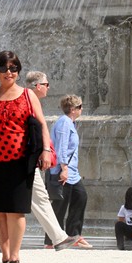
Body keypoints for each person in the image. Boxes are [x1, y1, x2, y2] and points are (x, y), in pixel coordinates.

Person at [0, 70, 79, 252]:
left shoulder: (24, 99)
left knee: (8, 198)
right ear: (38, 86)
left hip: (20, 157)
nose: (48, 88)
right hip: (22, 157)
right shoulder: (26, 100)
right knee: (37, 197)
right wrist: (43, 151)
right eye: (46, 85)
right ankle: (58, 237)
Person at [0, 51, 52, 263]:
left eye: (13, 68)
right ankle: (5, 259)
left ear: (18, 71)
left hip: (19, 161)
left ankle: (16, 258)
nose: (8, 73)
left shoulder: (27, 95)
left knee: (17, 212)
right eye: (3, 69)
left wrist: (46, 150)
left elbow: (41, 123)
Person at [46, 94, 93, 249]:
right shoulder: (65, 122)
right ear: (73, 109)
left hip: (72, 172)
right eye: (80, 107)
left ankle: (73, 235)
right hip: (62, 170)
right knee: (60, 204)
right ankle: (52, 240)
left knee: (80, 197)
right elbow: (62, 147)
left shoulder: (69, 123)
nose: (82, 109)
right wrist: (64, 168)